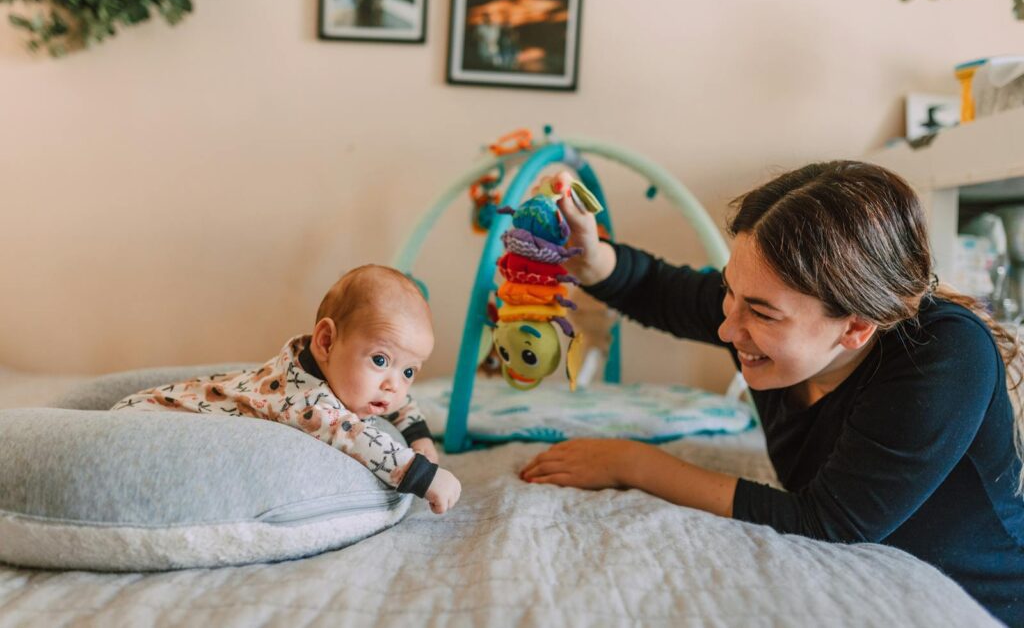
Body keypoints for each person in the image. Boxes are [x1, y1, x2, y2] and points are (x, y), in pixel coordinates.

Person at [520, 162, 1024, 624]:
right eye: (730, 294)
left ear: (856, 327)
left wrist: (633, 463)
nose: (726, 328)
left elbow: (827, 521)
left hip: (987, 603)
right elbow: (659, 289)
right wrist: (588, 257)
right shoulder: (765, 311)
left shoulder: (945, 355)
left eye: (761, 314)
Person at [113, 265, 461, 515]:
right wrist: (425, 476)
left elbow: (394, 399)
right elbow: (352, 435)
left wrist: (419, 435)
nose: (394, 384)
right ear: (326, 342)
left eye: (410, 370)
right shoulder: (307, 399)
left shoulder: (343, 374)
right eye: (381, 360)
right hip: (151, 423)